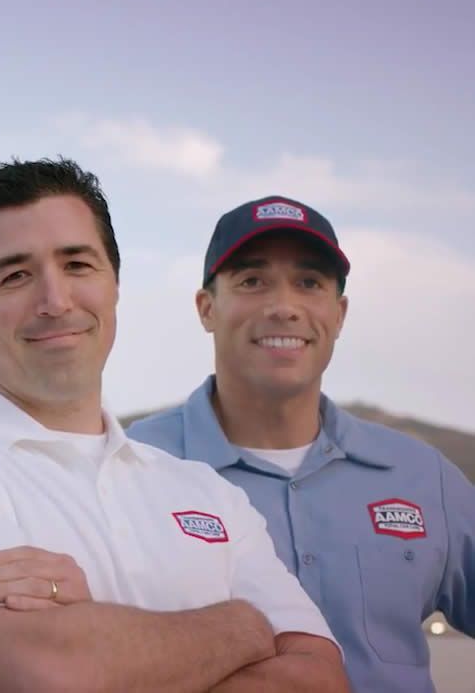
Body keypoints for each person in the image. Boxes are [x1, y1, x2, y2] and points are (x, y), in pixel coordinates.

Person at [0, 159, 349, 692]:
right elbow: (53, 674)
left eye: (78, 265)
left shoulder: (209, 495)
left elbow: (320, 678)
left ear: (115, 287)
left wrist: (97, 631)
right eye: (15, 275)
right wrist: (243, 625)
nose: (55, 301)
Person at [127, 195, 475, 692]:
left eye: (309, 283)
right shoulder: (131, 464)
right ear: (207, 308)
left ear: (339, 313)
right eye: (252, 281)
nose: (283, 307)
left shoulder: (423, 476)